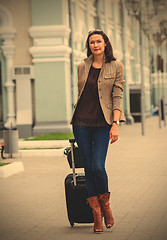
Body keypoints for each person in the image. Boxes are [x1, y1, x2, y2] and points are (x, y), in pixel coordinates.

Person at [70, 29, 126, 233]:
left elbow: (117, 95)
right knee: (88, 168)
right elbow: (81, 93)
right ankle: (96, 216)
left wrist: (115, 123)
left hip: (103, 123)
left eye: (99, 41)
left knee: (98, 167)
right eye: (92, 42)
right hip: (81, 122)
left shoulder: (116, 66)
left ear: (105, 44)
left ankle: (106, 206)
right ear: (89, 45)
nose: (95, 45)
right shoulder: (82, 66)